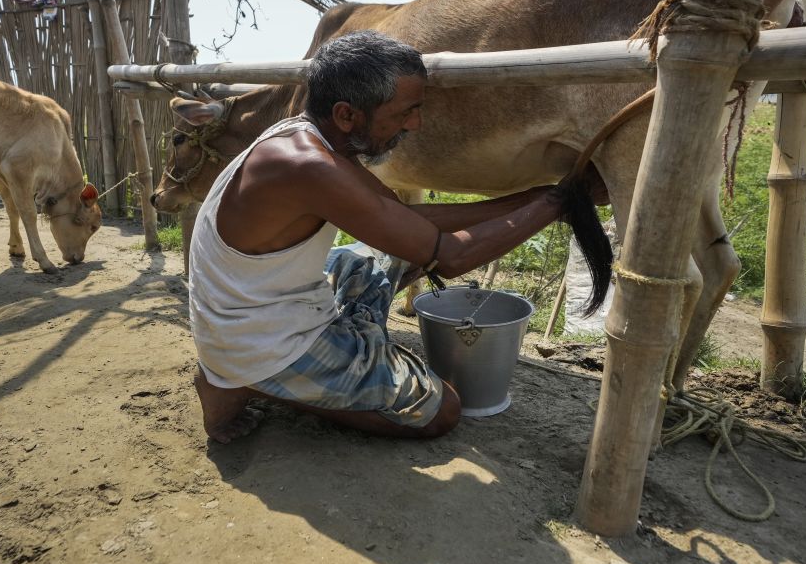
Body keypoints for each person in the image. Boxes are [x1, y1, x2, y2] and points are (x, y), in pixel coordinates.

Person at [189, 29, 590, 443]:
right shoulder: (310, 166)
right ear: (347, 115)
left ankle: (296, 369)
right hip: (259, 340)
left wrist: (532, 198)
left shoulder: (311, 138)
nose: (414, 124)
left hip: (257, 303)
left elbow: (403, 218)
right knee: (442, 411)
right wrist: (560, 203)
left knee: (384, 254)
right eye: (404, 112)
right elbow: (450, 257)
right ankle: (260, 382)